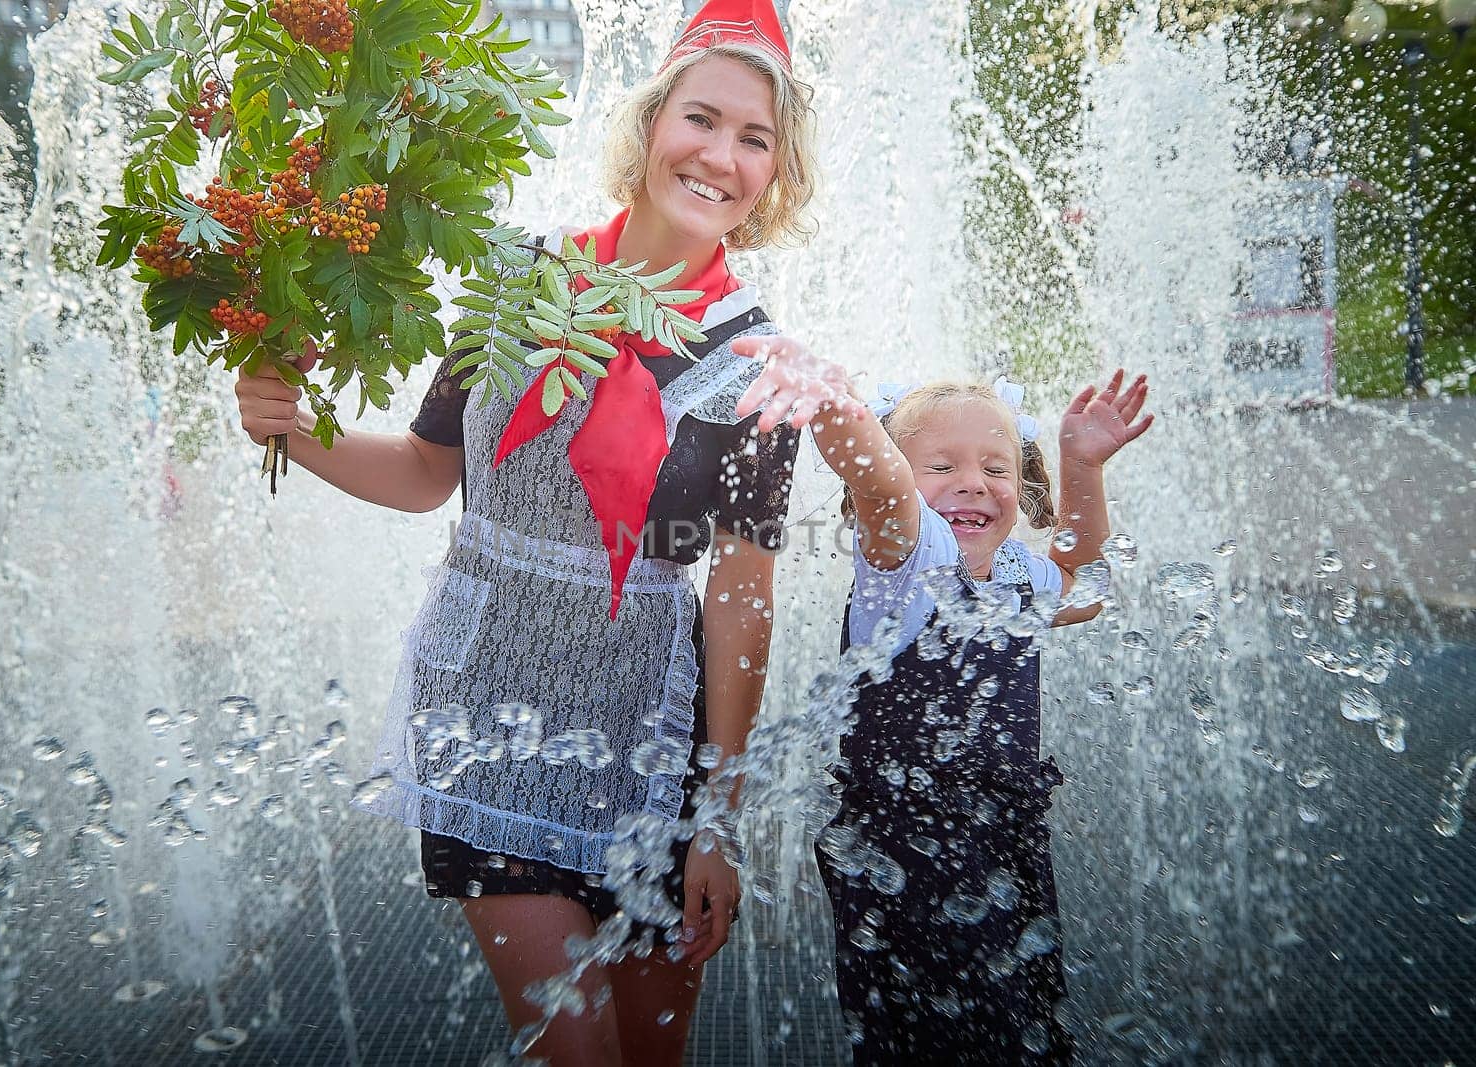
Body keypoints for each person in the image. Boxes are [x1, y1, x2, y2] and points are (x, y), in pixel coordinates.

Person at [234, 3, 826, 1063]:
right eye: (701, 118)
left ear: (776, 174)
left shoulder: (763, 369)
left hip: (652, 737)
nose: (720, 156)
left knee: (652, 1052)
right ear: (649, 125)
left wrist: (718, 820)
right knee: (572, 1047)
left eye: (755, 138)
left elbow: (741, 599)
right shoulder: (515, 279)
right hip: (487, 719)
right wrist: (298, 431)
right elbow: (424, 475)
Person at [734, 343, 1151, 1065]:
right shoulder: (906, 565)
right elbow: (883, 487)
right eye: (942, 466)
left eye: (997, 468)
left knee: (1022, 1018)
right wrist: (842, 412)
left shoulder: (1017, 569)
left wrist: (1083, 468)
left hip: (1007, 840)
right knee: (926, 1033)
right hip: (903, 851)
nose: (974, 484)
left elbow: (1083, 588)